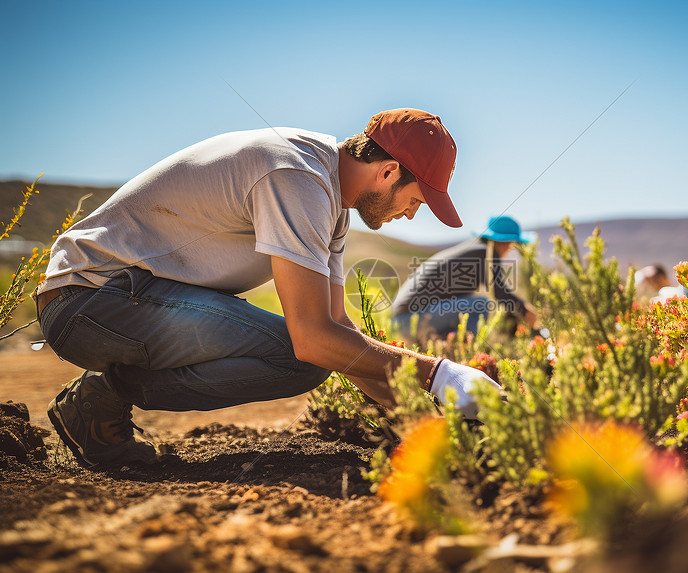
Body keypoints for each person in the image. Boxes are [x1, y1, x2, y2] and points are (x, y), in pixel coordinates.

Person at [35, 108, 501, 469]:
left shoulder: (330, 199)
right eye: (416, 199)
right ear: (388, 171)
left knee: (311, 357)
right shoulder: (296, 176)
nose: (412, 214)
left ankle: (98, 399)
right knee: (301, 358)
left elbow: (338, 329)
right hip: (90, 299)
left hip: (127, 298)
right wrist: (443, 375)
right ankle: (104, 395)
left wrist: (421, 425)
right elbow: (313, 338)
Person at [390, 215, 539, 340]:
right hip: (410, 319)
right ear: (504, 242)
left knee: (473, 303)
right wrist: (526, 311)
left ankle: (447, 344)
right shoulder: (486, 253)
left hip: (403, 320)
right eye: (512, 244)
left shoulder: (473, 250)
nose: (510, 249)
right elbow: (499, 292)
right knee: (482, 304)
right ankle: (462, 350)